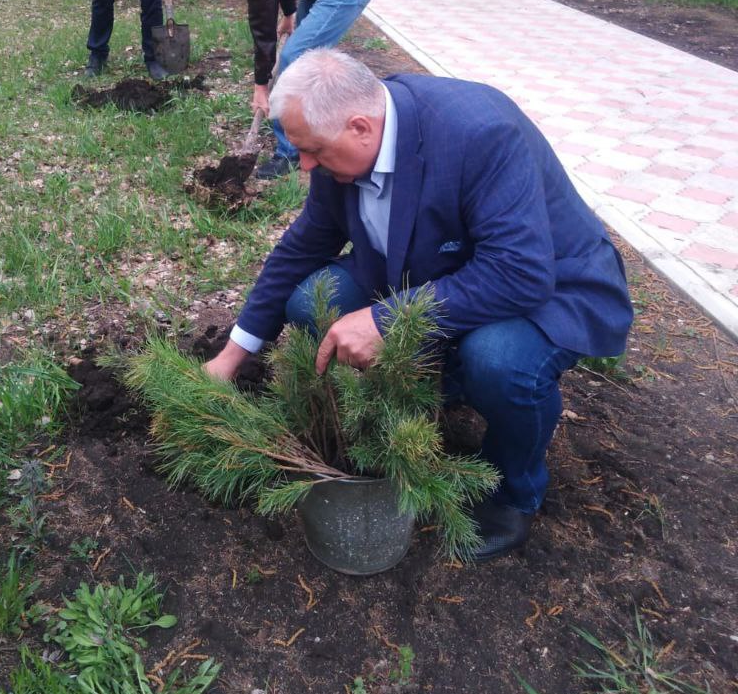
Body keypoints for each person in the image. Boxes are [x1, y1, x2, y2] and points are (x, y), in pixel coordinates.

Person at [203, 50, 634, 561]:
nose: (305, 165)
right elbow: (302, 246)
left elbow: (521, 272)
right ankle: (438, 387)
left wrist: (386, 319)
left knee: (497, 360)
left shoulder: (479, 134)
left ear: (361, 127)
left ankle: (513, 491)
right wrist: (234, 353)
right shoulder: (335, 140)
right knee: (312, 301)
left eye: (313, 151)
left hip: (548, 282)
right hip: (427, 266)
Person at [181, 0, 378, 179]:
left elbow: (262, 29)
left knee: (294, 59)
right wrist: (289, 13)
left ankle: (290, 151)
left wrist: (261, 86)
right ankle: (315, 119)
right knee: (304, 60)